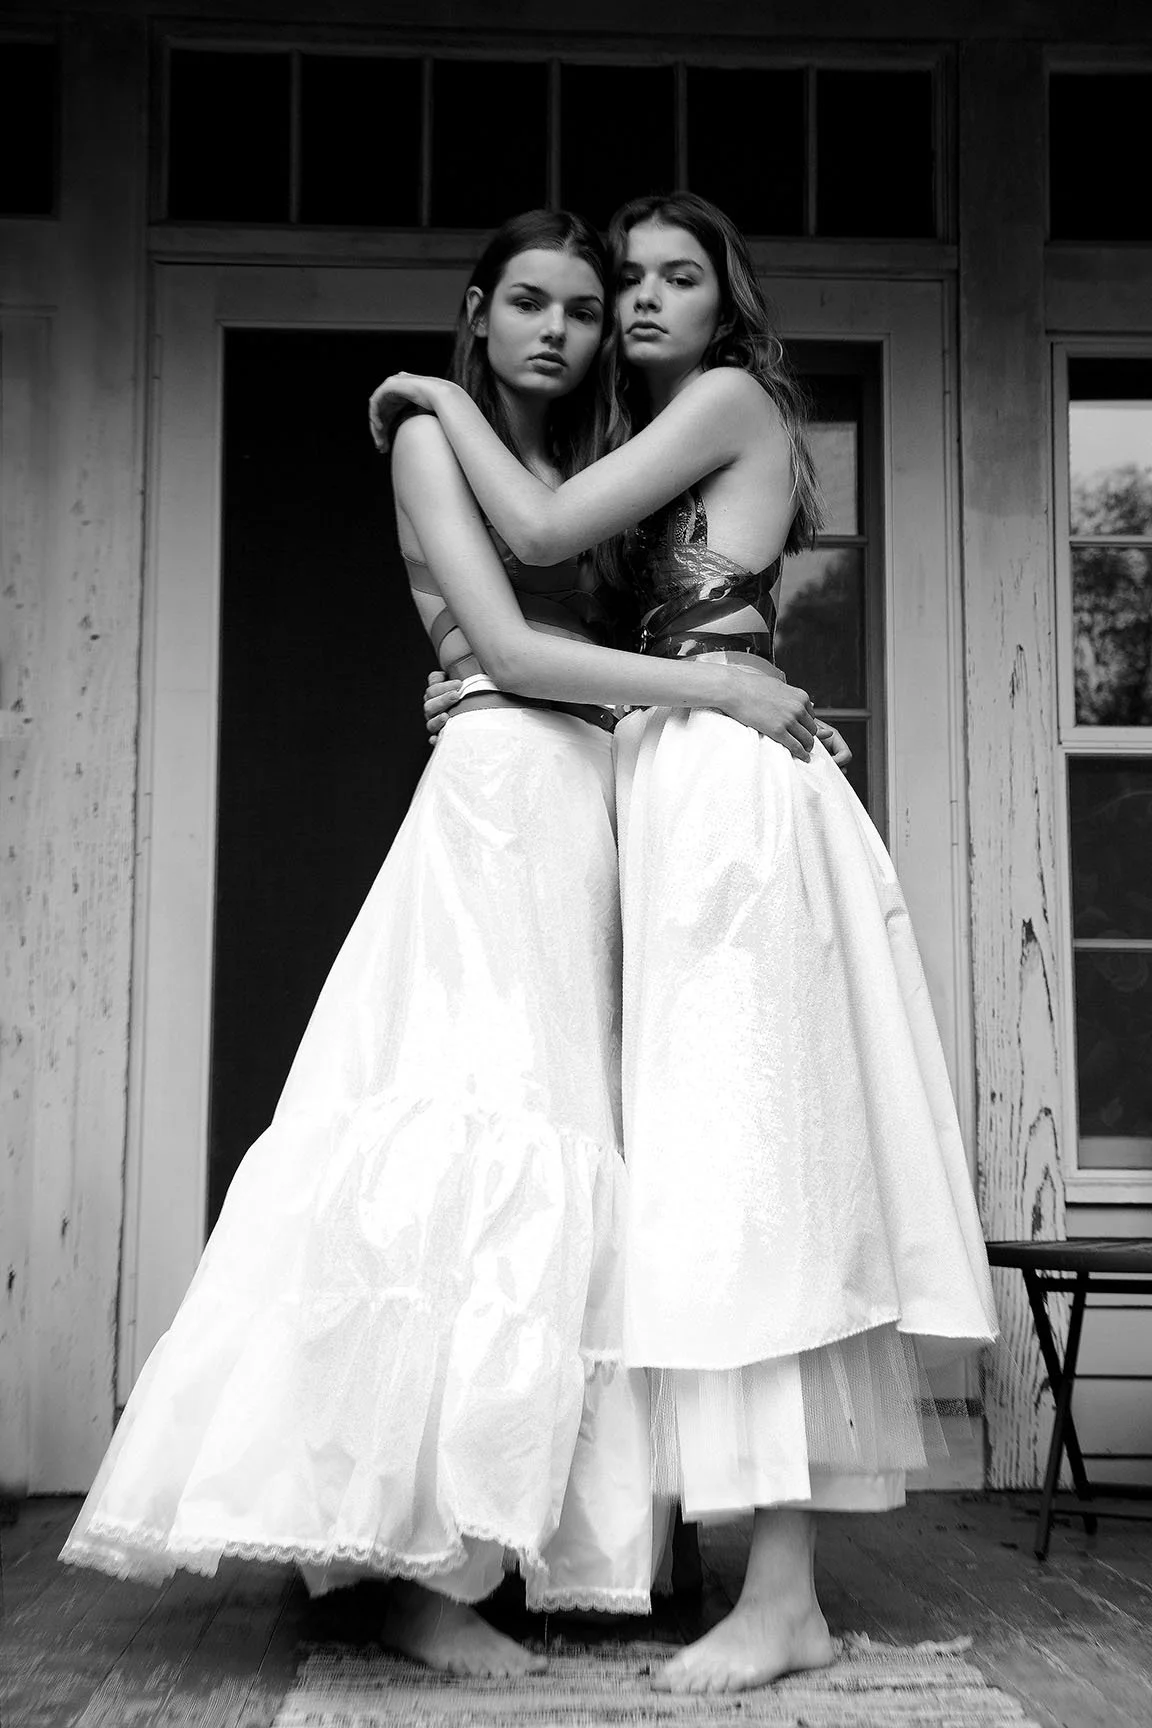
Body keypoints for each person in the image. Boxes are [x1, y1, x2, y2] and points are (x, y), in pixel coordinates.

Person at [59, 209, 840, 1681]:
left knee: (574, 1159)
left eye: (584, 307)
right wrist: (708, 694)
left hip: (593, 815)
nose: (560, 329)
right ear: (475, 316)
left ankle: (524, 1545)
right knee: (471, 1146)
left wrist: (650, 696)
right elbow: (525, 649)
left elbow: (599, 621)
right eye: (527, 303)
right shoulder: (432, 440)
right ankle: (390, 1570)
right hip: (498, 809)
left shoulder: (583, 468)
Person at [369, 191, 999, 1697]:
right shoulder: (644, 436)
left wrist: (432, 385)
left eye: (673, 279)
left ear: (728, 304)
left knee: (747, 1177)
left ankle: (784, 1593)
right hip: (664, 788)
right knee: (694, 1185)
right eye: (621, 281)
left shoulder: (722, 403)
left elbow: (532, 534)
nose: (638, 303)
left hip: (719, 792)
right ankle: (725, 1568)